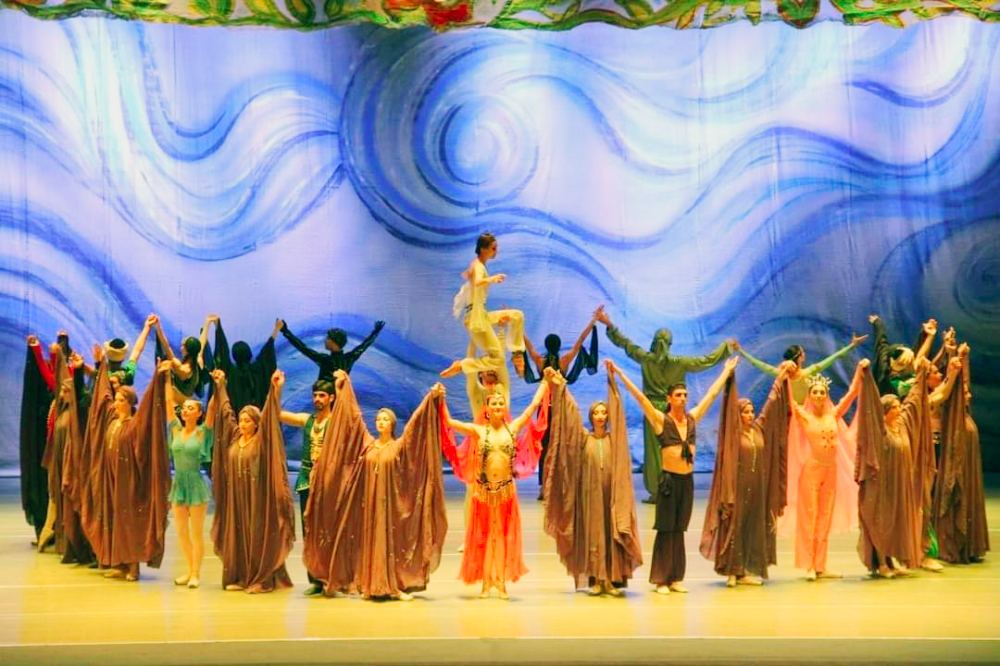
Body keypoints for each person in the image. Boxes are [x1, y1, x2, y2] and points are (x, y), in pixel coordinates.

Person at [302, 372, 448, 600]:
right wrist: (344, 387)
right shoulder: (367, 445)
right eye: (378, 419)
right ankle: (371, 583)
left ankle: (394, 586)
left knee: (389, 542)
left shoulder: (398, 447)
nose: (380, 422)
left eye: (385, 419)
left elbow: (415, 427)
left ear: (392, 424)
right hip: (369, 506)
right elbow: (353, 419)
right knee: (370, 540)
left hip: (389, 508)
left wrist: (431, 398)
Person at [611, 356, 737, 594]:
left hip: (686, 483)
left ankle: (676, 577)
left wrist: (726, 371)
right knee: (666, 530)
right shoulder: (661, 421)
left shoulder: (692, 419)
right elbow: (640, 398)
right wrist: (619, 372)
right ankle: (661, 579)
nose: (683, 398)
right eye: (678, 395)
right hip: (669, 482)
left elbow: (711, 395)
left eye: (685, 395)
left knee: (679, 530)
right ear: (669, 399)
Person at [596, 307, 734, 503]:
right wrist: (725, 348)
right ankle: (673, 488)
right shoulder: (679, 362)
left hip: (651, 411)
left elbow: (626, 344)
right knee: (673, 449)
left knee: (654, 453)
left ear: (654, 341)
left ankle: (656, 490)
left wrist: (609, 324)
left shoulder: (646, 359)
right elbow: (705, 361)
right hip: (673, 411)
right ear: (669, 344)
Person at [440, 370, 553, 599]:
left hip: (506, 492)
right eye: (494, 403)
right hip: (483, 493)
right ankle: (486, 583)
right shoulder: (478, 431)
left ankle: (500, 582)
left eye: (501, 403)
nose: (498, 406)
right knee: (484, 536)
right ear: (487, 408)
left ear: (505, 408)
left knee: (501, 536)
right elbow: (451, 423)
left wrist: (545, 383)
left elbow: (532, 407)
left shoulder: (513, 428)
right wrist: (441, 399)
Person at [544, 364, 642, 595]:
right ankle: (597, 579)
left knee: (609, 533)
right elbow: (570, 414)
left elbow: (618, 411)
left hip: (610, 497)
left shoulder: (614, 440)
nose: (600, 416)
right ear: (591, 417)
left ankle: (610, 580)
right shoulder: (584, 439)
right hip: (590, 498)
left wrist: (613, 380)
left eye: (603, 412)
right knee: (593, 535)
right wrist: (560, 386)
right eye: (596, 413)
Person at [80, 348, 171, 582]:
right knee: (113, 518)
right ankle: (118, 563)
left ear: (129, 403)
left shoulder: (134, 424)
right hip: (111, 478)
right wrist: (100, 365)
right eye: (117, 399)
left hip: (128, 480)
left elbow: (149, 405)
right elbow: (103, 396)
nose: (116, 403)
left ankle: (133, 566)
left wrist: (158, 377)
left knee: (129, 520)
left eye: (121, 400)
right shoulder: (112, 420)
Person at [700, 362, 792, 587]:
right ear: (738, 415)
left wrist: (780, 379)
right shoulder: (733, 434)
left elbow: (771, 404)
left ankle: (744, 571)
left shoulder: (759, 429)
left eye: (751, 411)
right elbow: (728, 408)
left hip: (757, 490)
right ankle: (732, 571)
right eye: (745, 412)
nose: (750, 415)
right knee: (735, 527)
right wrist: (729, 376)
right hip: (738, 489)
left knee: (751, 528)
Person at [208, 368, 296, 593]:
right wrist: (221, 385)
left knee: (256, 535)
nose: (243, 423)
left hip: (257, 499)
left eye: (247, 420)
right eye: (241, 420)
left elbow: (270, 414)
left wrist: (276, 389)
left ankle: (261, 579)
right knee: (238, 535)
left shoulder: (261, 440)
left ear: (256, 423)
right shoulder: (235, 437)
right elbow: (226, 413)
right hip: (237, 499)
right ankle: (241, 576)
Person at [854, 360, 937, 578]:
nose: (900, 410)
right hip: (881, 485)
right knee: (881, 523)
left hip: (899, 486)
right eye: (895, 408)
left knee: (895, 523)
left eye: (899, 407)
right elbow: (870, 406)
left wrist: (922, 374)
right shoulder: (879, 430)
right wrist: (867, 376)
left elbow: (914, 400)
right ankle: (882, 564)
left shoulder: (902, 425)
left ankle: (892, 561)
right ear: (886, 411)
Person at [786, 360, 867, 581]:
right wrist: (784, 377)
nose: (819, 395)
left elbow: (852, 393)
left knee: (824, 520)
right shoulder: (804, 416)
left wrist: (859, 370)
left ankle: (821, 566)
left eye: (822, 392)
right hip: (811, 472)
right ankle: (809, 565)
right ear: (810, 395)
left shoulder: (834, 414)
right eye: (815, 392)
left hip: (831, 472)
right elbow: (789, 400)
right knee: (810, 518)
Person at [522, 309, 600, 499]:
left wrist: (516, 325)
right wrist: (592, 323)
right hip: (560, 409)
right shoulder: (564, 361)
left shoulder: (540, 361)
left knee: (544, 447)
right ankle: (559, 486)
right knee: (560, 446)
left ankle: (543, 487)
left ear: (546, 345)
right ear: (558, 346)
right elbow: (580, 341)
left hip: (544, 410)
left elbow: (528, 345)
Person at [440, 232, 527, 380]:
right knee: (498, 360)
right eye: (493, 248)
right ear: (483, 249)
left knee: (517, 316)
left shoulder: (477, 264)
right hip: (476, 317)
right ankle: (462, 366)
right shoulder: (478, 266)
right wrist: (492, 278)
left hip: (481, 314)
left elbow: (473, 280)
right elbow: (478, 282)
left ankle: (517, 351)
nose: (496, 251)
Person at [934, 343, 989, 564]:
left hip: (969, 465)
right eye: (964, 393)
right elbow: (950, 387)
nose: (969, 394)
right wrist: (953, 362)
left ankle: (971, 545)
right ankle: (954, 544)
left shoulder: (964, 413)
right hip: (957, 461)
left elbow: (963, 384)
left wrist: (963, 359)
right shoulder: (951, 415)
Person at [279, 378, 335, 595]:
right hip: (306, 480)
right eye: (315, 395)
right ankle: (316, 580)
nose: (317, 399)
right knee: (309, 530)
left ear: (331, 398)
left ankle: (331, 578)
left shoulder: (337, 422)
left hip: (327, 481)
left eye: (322, 396)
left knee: (328, 530)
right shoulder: (307, 420)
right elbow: (278, 414)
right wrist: (278, 388)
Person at [160, 360, 213, 589]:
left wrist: (219, 385)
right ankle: (189, 569)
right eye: (185, 408)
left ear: (199, 414)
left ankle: (196, 573)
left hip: (195, 483)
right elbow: (168, 402)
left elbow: (213, 410)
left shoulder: (202, 433)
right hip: (178, 483)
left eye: (191, 408)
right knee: (181, 532)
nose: (185, 410)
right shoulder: (175, 429)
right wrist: (166, 378)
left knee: (196, 533)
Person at [738, 334, 867, 403]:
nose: (805, 354)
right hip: (804, 416)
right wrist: (851, 345)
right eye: (803, 352)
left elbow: (759, 364)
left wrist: (741, 351)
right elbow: (834, 357)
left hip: (791, 415)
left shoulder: (782, 375)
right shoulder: (808, 372)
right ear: (799, 358)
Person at [209, 315, 280, 415]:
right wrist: (276, 329)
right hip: (258, 416)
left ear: (234, 356)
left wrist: (218, 326)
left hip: (239, 419)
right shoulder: (258, 368)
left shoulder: (231, 372)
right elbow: (267, 351)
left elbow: (223, 350)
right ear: (249, 353)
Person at [277, 318, 385, 383]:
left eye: (328, 338)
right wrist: (375, 332)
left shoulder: (325, 359)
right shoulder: (349, 358)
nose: (325, 340)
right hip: (340, 401)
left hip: (326, 401)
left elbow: (302, 348)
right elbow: (364, 345)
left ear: (334, 341)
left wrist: (286, 331)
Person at [870, 315, 936, 397]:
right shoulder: (895, 385)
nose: (913, 363)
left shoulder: (902, 368)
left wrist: (928, 335)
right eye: (911, 362)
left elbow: (882, 343)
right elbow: (919, 356)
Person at [154, 315, 210, 402]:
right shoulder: (198, 360)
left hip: (178, 405)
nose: (181, 347)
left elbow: (166, 347)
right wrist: (207, 322)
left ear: (187, 350)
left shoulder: (183, 369)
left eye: (183, 345)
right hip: (187, 402)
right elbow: (201, 343)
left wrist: (158, 327)